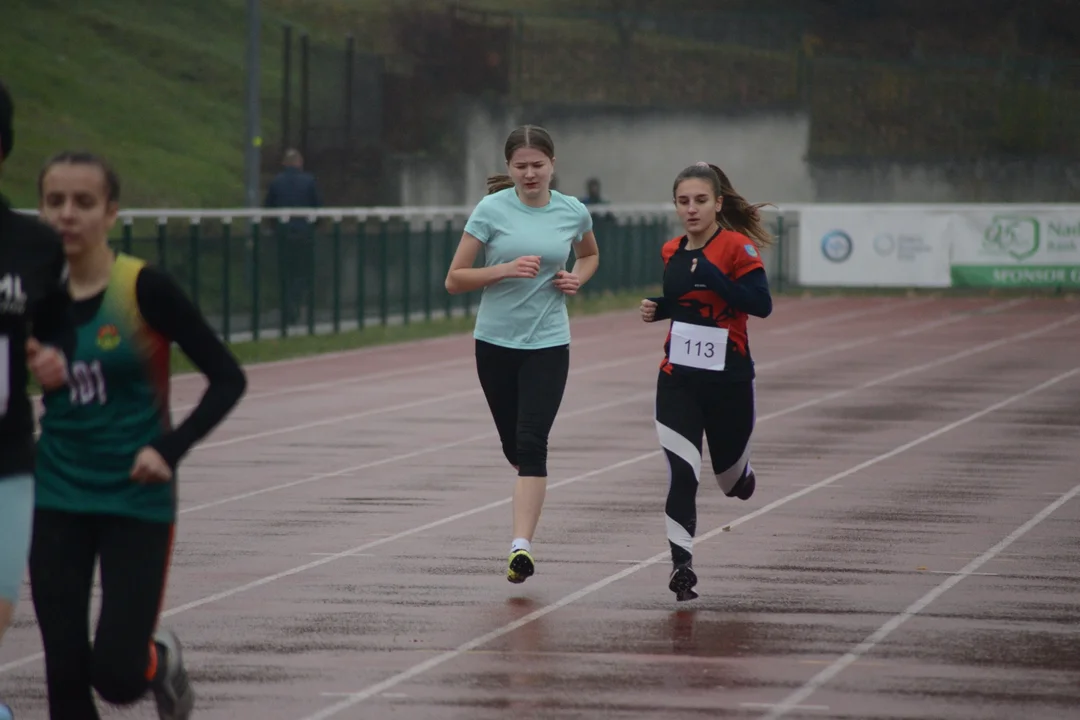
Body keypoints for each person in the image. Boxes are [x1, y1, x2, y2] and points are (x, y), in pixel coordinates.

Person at [27, 150, 248, 720]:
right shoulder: (28, 296)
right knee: (65, 675)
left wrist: (168, 450)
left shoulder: (145, 289)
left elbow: (227, 378)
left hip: (136, 495)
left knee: (117, 676)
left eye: (83, 202)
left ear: (111, 212)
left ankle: (158, 659)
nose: (67, 215)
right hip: (56, 494)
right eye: (54, 202)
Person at [444, 124, 599, 585]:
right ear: (509, 168)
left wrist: (577, 278)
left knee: (533, 445)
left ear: (553, 165)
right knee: (514, 445)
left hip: (549, 343)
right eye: (521, 166)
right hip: (494, 343)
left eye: (538, 165)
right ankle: (522, 475)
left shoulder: (573, 211)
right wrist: (505, 269)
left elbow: (588, 255)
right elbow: (455, 279)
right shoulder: (491, 210)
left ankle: (520, 548)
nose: (530, 174)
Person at [639, 161, 773, 602]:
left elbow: (760, 304)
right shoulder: (670, 251)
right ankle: (682, 566)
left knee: (731, 484)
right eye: (683, 201)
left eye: (700, 201)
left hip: (728, 382)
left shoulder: (737, 248)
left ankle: (743, 474)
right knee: (683, 472)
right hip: (677, 379)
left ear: (717, 203)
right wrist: (661, 308)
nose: (691, 209)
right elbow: (687, 304)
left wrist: (713, 274)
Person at [0, 79, 75, 720]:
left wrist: (52, 357)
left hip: (6, 448)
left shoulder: (32, 245)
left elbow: (59, 333)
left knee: (0, 606)